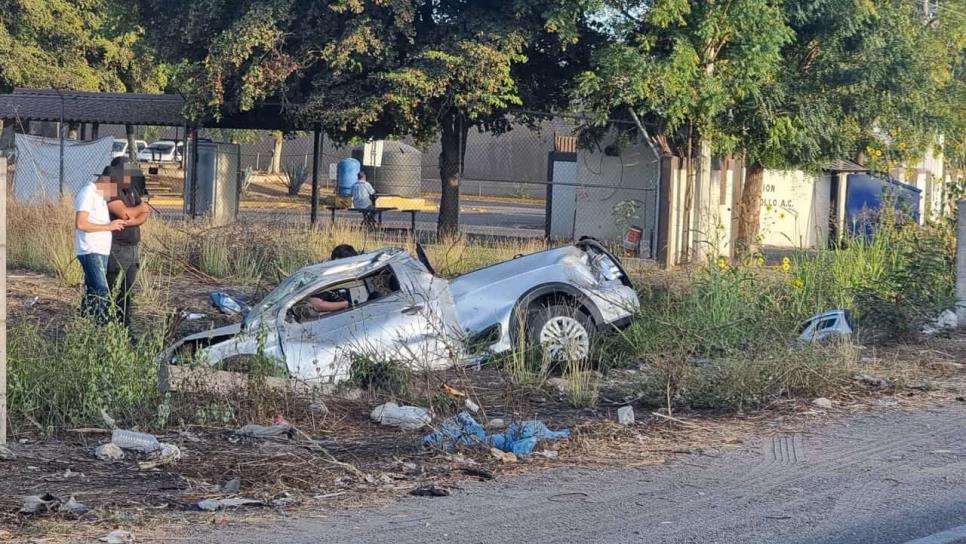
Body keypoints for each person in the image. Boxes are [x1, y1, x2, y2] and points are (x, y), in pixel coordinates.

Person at [75, 174, 126, 322]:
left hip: (100, 251)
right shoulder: (88, 193)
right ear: (106, 181)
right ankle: (100, 326)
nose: (114, 193)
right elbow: (81, 224)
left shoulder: (100, 197)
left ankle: (86, 324)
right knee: (101, 291)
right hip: (91, 250)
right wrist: (108, 226)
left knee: (93, 291)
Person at [106, 161, 151, 327]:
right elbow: (123, 213)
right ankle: (106, 325)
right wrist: (137, 211)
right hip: (117, 248)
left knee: (127, 292)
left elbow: (146, 212)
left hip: (133, 249)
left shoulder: (131, 190)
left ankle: (124, 327)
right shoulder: (109, 189)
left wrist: (132, 220)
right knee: (111, 289)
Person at [307, 245, 358, 313]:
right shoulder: (328, 280)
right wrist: (344, 304)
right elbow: (315, 304)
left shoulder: (354, 276)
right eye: (335, 264)